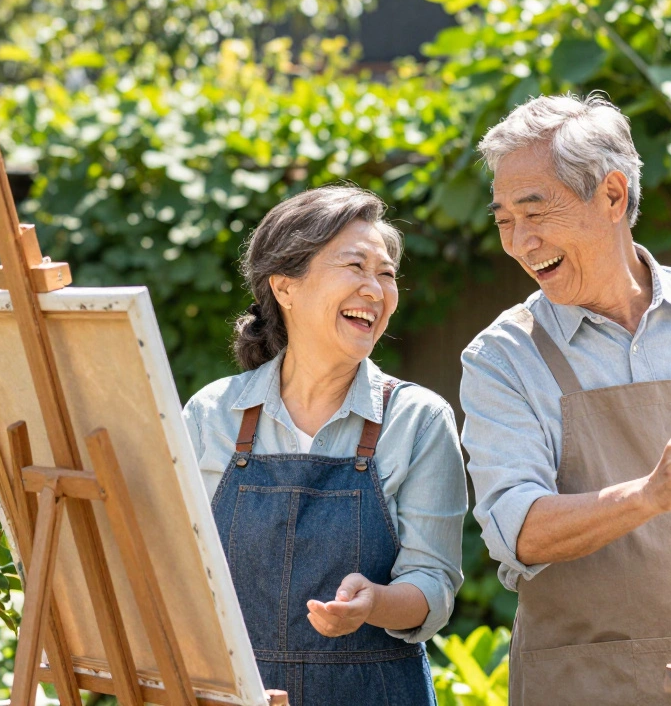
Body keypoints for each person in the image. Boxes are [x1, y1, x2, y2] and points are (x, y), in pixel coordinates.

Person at [460, 93, 671, 705]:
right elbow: (516, 530)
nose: (519, 242)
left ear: (613, 196)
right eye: (504, 221)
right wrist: (649, 493)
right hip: (584, 685)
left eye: (534, 211)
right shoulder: (501, 359)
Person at [183, 185, 467, 706]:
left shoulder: (419, 420)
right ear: (285, 287)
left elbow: (434, 586)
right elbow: (178, 570)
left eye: (385, 273)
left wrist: (375, 603)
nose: (375, 289)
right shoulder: (211, 414)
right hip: (236, 694)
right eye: (355, 266)